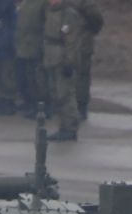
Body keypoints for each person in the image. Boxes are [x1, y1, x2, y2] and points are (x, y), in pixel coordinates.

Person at [43, 0, 85, 140]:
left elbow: (71, 40)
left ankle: (70, 128)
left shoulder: (69, 14)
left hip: (62, 57)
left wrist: (69, 61)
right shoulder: (50, 11)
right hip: (51, 56)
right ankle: (63, 126)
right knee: (56, 93)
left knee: (65, 94)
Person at [13, 0, 43, 116]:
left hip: (34, 47)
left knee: (36, 79)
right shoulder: (25, 4)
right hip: (22, 47)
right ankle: (29, 103)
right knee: (25, 78)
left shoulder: (41, 4)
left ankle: (38, 106)